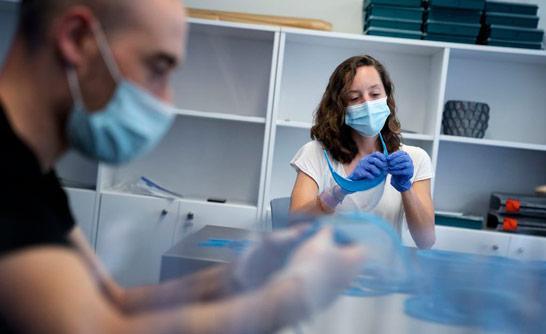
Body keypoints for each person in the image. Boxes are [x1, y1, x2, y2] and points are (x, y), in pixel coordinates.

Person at [0, 1, 365, 333]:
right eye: (157, 68)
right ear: (77, 39)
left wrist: (246, 272)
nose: (167, 102)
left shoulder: (33, 176)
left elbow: (114, 299)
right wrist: (292, 298)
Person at [290, 55, 435, 249]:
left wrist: (406, 188)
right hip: (328, 270)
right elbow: (294, 227)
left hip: (384, 272)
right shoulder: (315, 153)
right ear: (339, 107)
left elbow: (426, 241)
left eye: (375, 95)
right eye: (354, 98)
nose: (367, 104)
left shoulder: (416, 158)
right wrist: (340, 190)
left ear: (387, 98)